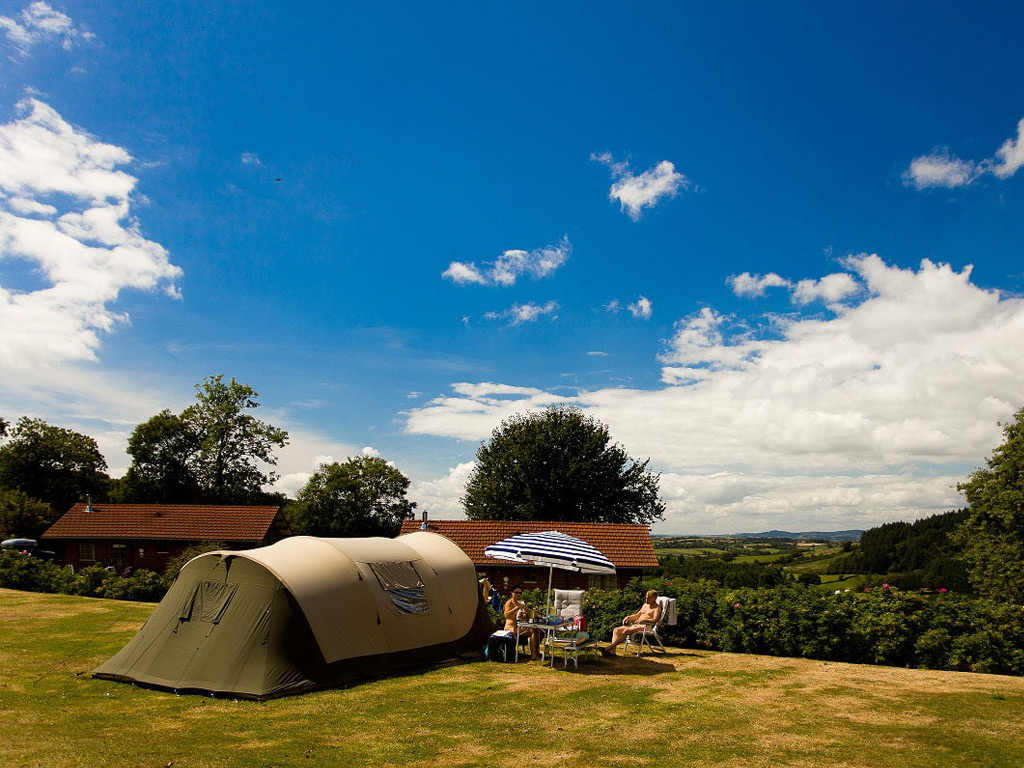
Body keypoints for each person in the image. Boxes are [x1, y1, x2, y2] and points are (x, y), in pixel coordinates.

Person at [602, 590, 662, 656]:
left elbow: (655, 619)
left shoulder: (657, 608)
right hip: (636, 625)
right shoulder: (645, 605)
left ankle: (608, 648)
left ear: (654, 598)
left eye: (648, 598)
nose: (646, 600)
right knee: (616, 630)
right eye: (646, 598)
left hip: (647, 627)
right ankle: (612, 651)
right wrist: (628, 617)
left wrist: (644, 619)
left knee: (626, 631)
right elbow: (637, 616)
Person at [504, 586, 540, 660]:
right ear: (512, 593)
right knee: (533, 632)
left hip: (520, 627)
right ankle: (533, 655)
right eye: (516, 592)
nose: (518, 594)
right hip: (511, 628)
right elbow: (506, 614)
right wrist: (517, 608)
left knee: (537, 631)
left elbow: (522, 616)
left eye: (520, 593)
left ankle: (536, 652)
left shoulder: (521, 603)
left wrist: (526, 613)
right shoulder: (509, 603)